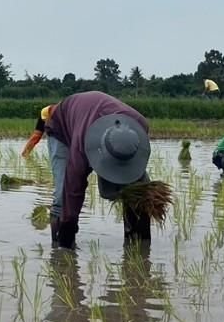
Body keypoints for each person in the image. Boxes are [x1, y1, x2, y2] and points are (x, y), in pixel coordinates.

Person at [44, 91, 153, 249]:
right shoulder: (80, 147)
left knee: (138, 190)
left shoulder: (139, 125)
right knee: (63, 196)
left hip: (90, 113)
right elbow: (73, 190)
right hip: (61, 126)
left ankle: (137, 243)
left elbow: (136, 163)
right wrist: (68, 230)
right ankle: (59, 249)